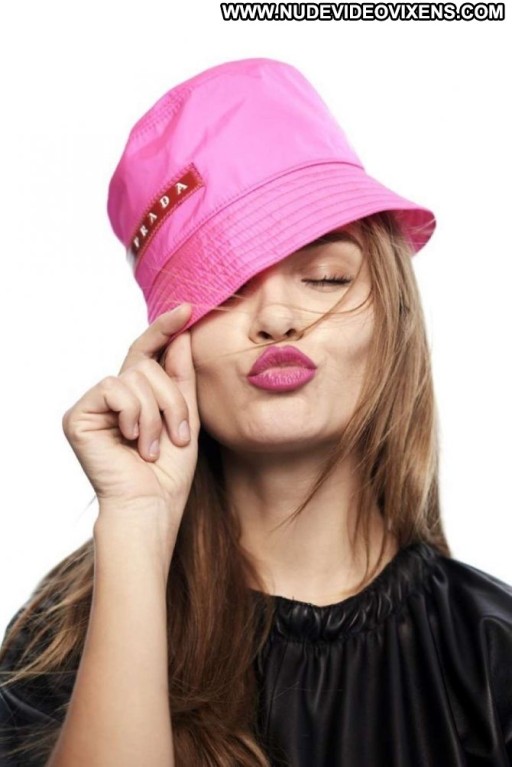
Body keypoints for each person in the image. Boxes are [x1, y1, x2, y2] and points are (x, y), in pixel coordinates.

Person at [0, 57, 511, 767]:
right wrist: (136, 529)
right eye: (225, 286)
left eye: (324, 276)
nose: (275, 317)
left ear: (392, 319)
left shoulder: (493, 653)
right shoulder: (66, 636)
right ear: (168, 349)